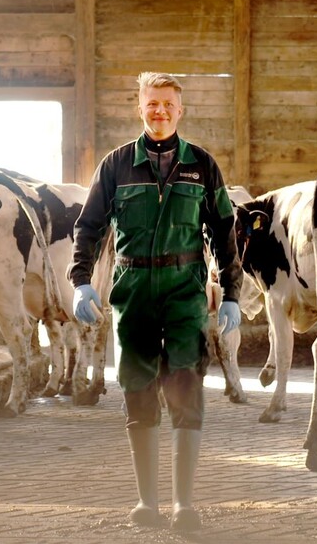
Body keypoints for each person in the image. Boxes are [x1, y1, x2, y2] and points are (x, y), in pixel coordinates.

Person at [68, 71, 243, 532]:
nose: (160, 111)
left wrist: (230, 295)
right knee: (138, 391)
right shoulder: (116, 165)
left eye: (168, 104)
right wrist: (81, 281)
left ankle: (184, 504)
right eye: (152, 103)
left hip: (185, 291)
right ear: (140, 107)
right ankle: (148, 502)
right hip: (133, 292)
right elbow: (88, 228)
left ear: (179, 110)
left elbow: (225, 234)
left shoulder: (202, 165)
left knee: (186, 391)